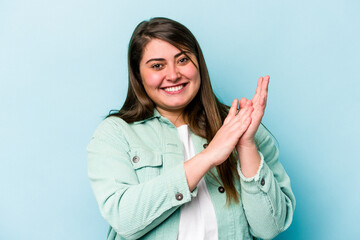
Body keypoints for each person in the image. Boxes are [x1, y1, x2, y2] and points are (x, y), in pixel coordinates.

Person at [87, 17, 295, 240]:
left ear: (199, 65)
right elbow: (125, 220)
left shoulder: (240, 126)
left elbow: (270, 228)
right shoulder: (115, 133)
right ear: (138, 75)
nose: (174, 75)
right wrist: (208, 157)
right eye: (157, 65)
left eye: (183, 60)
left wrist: (246, 145)